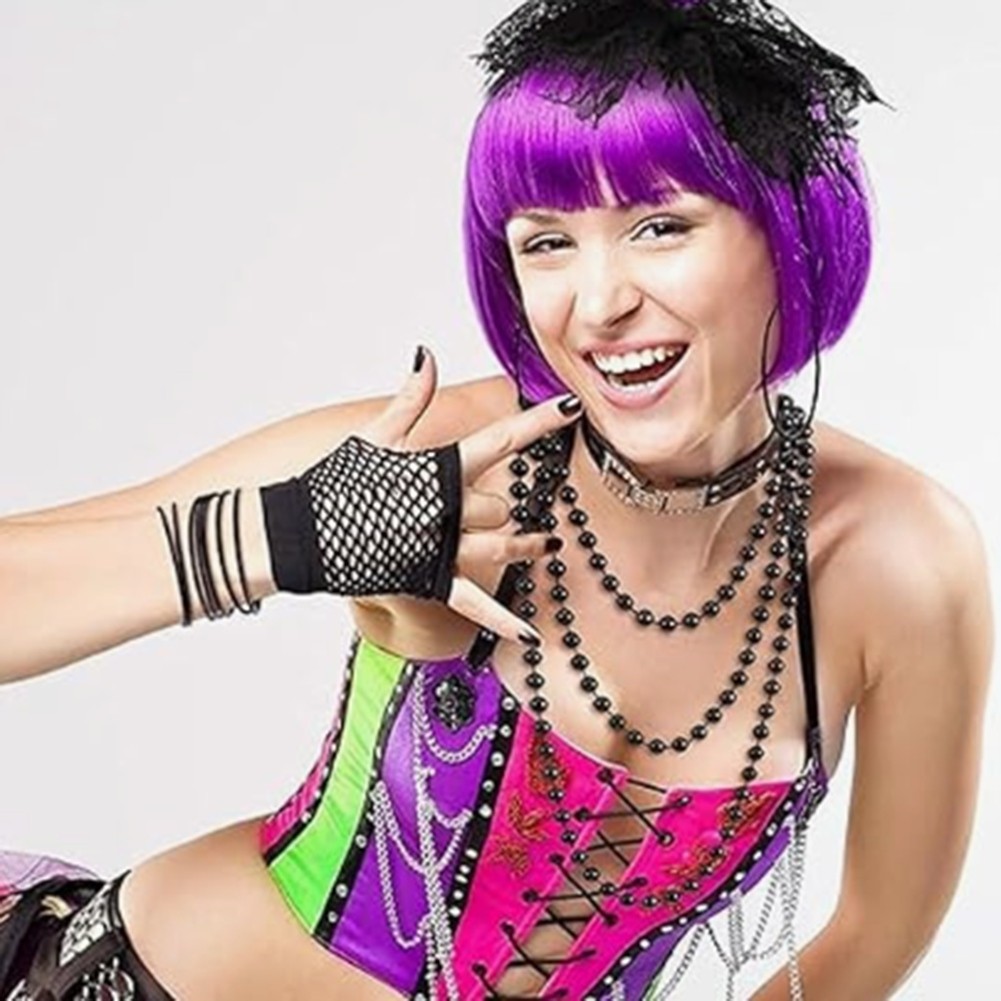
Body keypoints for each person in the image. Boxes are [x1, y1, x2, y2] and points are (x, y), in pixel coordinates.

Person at [0, 0, 992, 999]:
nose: (598, 304)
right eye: (546, 242)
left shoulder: (898, 558)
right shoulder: (447, 454)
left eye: (659, 227)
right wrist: (283, 532)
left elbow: (872, 934)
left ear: (787, 228)